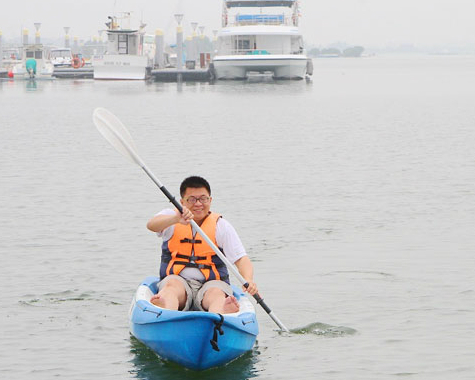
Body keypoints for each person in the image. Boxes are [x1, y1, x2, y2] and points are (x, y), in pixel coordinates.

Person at [146, 176, 258, 314]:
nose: (198, 204)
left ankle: (221, 312)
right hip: (178, 281)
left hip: (211, 283)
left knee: (216, 293)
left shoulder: (221, 226)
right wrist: (176, 219)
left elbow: (241, 259)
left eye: (203, 199)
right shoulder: (171, 217)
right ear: (182, 202)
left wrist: (248, 279)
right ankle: (165, 307)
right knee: (171, 287)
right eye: (192, 199)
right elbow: (151, 225)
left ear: (210, 200)